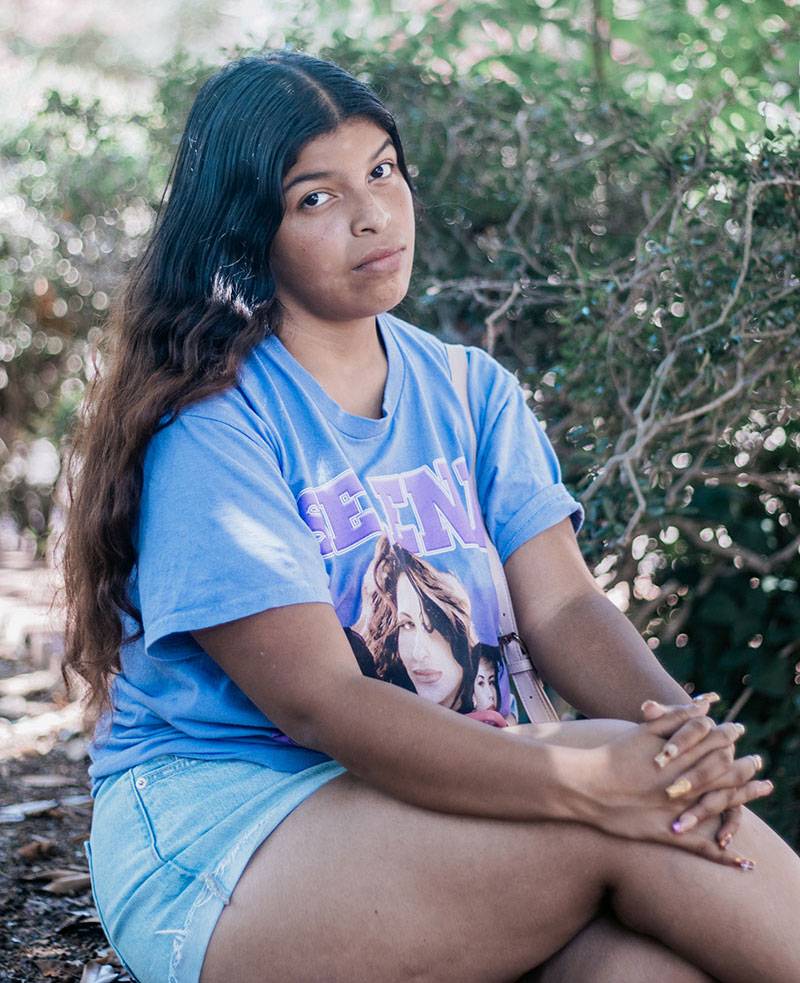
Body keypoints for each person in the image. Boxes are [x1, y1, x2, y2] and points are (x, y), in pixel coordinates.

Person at [58, 49, 800, 983]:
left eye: (382, 171)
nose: (372, 212)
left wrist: (680, 735)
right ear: (250, 232)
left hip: (448, 792)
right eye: (315, 198)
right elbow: (319, 701)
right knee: (646, 820)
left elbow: (565, 609)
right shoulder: (214, 427)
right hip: (235, 834)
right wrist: (600, 777)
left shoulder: (469, 390)